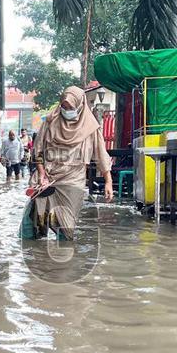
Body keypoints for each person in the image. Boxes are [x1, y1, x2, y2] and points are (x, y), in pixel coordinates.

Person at [25, 86, 113, 240]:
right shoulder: (50, 121)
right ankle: (38, 259)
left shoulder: (91, 128)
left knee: (66, 230)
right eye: (64, 106)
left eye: (70, 107)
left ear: (80, 105)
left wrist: (108, 181)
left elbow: (101, 155)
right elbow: (38, 151)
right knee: (35, 225)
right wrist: (41, 173)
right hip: (48, 178)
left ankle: (64, 259)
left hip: (73, 180)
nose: (66, 110)